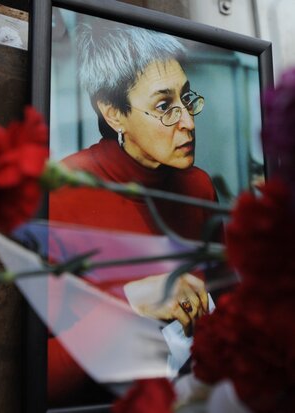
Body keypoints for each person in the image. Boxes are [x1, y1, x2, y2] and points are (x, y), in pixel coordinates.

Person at [48, 21, 217, 404]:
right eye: (164, 107)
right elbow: (38, 378)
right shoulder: (62, 194)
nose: (188, 122)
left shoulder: (199, 188)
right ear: (114, 114)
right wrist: (130, 304)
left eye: (186, 98)